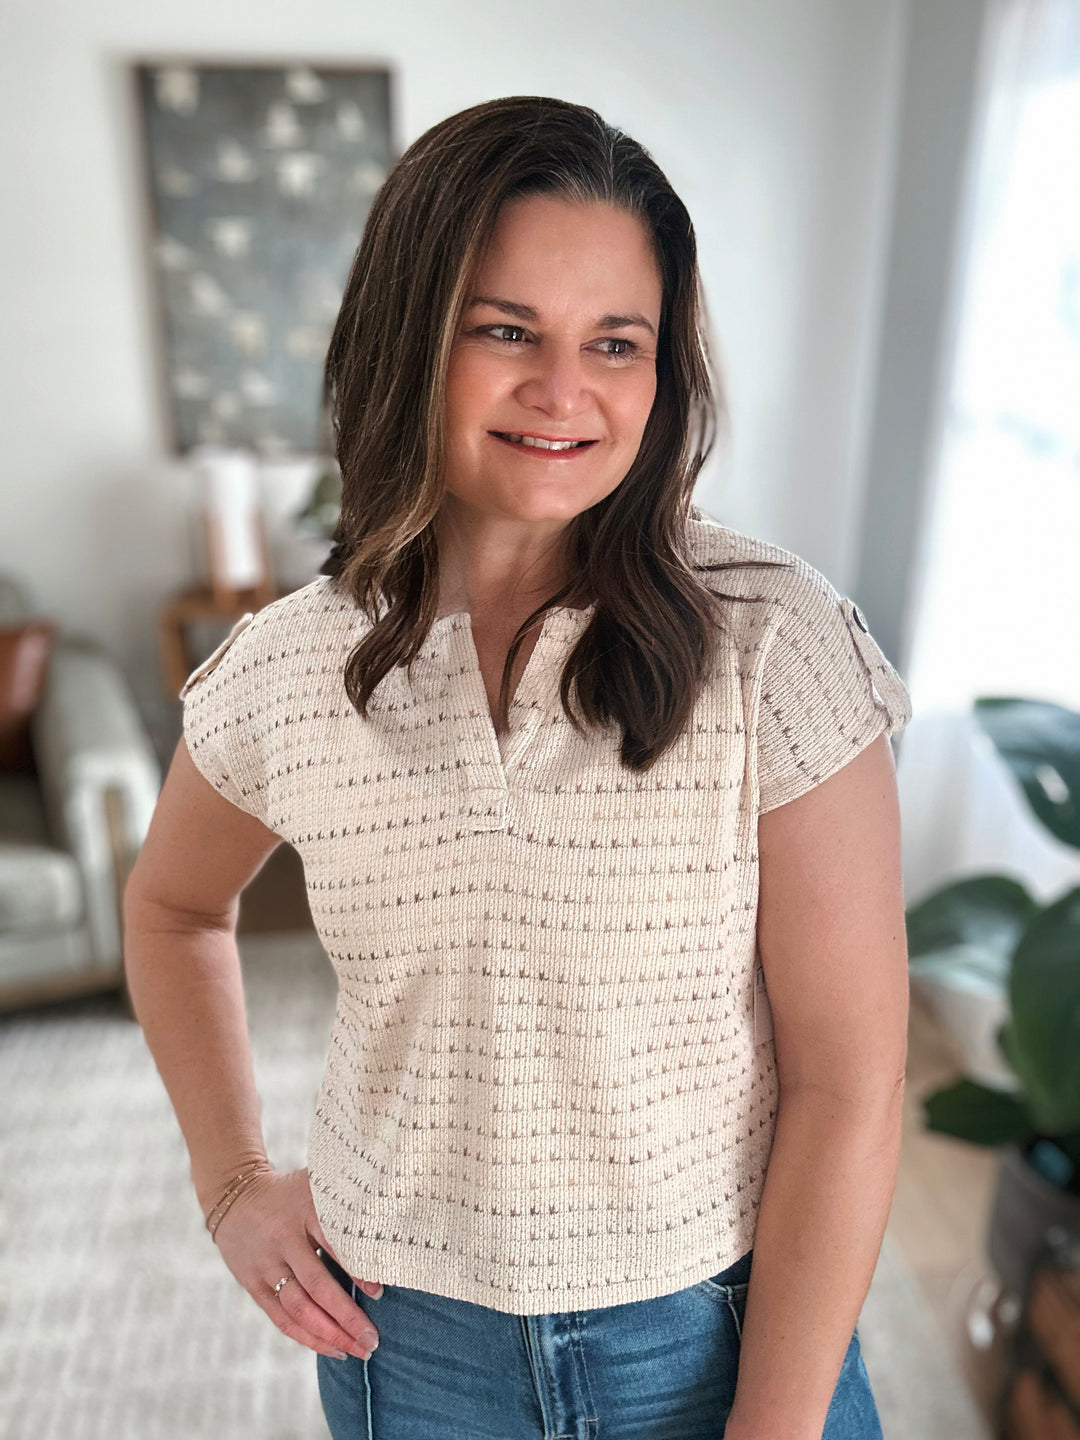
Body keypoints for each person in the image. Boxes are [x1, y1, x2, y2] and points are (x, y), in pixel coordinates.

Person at [124, 95, 912, 1440]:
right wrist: (232, 1182)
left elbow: (851, 1090)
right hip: (410, 1355)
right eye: (504, 331)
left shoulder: (775, 644)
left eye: (616, 342)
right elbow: (171, 907)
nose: (565, 390)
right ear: (409, 337)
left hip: (720, 1340)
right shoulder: (293, 663)